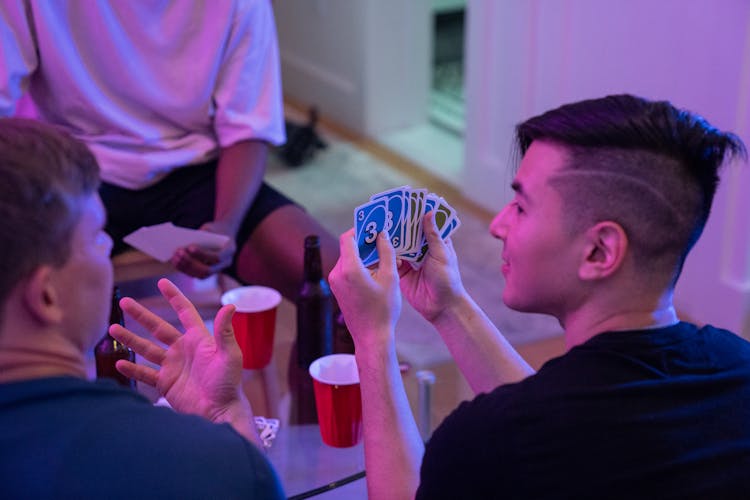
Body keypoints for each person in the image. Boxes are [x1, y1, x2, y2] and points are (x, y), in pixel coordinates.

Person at [328, 94, 750, 498]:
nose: (498, 224)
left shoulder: (492, 442)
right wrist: (448, 307)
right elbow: (561, 424)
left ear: (600, 251)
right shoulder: (739, 366)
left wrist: (373, 338)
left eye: (522, 207)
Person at [0, 118, 284, 498]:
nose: (107, 248)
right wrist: (227, 420)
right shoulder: (215, 468)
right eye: (97, 237)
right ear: (46, 295)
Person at [0, 0, 337, 301]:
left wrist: (225, 225)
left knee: (342, 292)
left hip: (197, 170)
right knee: (29, 293)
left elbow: (247, 127)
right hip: (76, 170)